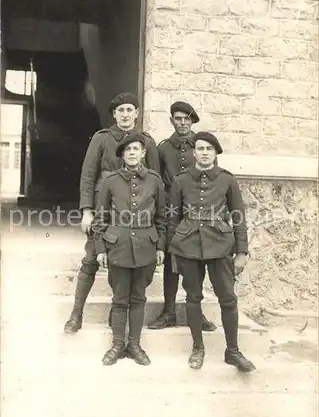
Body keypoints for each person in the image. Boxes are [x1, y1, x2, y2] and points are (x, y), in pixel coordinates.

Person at [64, 92, 160, 334]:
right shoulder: (101, 139)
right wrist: (87, 211)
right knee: (91, 259)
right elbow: (88, 175)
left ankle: (115, 312)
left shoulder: (147, 142)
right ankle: (77, 313)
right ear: (114, 115)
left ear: (137, 113)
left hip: (133, 216)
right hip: (102, 209)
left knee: (126, 265)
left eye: (130, 110)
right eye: (120, 111)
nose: (125, 115)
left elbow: (156, 184)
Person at [167, 131, 256, 372]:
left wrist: (241, 251)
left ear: (215, 153)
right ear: (193, 152)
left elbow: (239, 217)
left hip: (220, 245)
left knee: (228, 298)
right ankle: (198, 347)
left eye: (209, 149)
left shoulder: (227, 180)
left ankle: (233, 351)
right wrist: (172, 248)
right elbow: (173, 217)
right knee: (193, 298)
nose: (205, 153)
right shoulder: (181, 180)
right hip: (188, 245)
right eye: (201, 148)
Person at [91, 132, 166, 365]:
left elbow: (162, 217)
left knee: (139, 297)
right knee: (120, 298)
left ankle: (134, 345)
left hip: (146, 246)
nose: (132, 153)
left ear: (143, 153)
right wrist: (101, 248)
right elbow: (101, 218)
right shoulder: (110, 181)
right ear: (122, 155)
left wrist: (160, 247)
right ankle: (116, 345)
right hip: (118, 246)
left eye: (136, 149)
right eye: (128, 150)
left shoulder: (155, 180)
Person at [147, 101, 216, 331]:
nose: (183, 122)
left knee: (197, 261)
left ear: (192, 120)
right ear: (171, 121)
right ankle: (168, 312)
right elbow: (156, 181)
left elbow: (213, 179)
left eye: (187, 118)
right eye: (178, 118)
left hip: (197, 212)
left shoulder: (203, 146)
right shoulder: (163, 148)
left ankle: (196, 311)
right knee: (170, 261)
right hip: (172, 212)